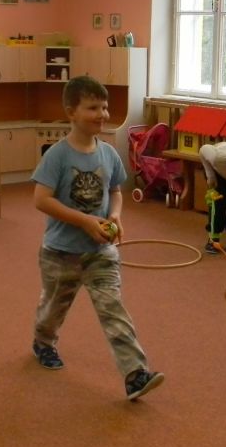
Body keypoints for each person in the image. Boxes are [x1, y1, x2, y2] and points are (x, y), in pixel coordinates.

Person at [30, 75, 164, 401]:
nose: (102, 114)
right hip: (60, 252)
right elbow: (41, 200)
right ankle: (43, 341)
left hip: (100, 251)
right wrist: (85, 220)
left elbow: (115, 191)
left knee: (112, 308)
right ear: (71, 112)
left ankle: (135, 374)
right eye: (92, 107)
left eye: (104, 107)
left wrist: (115, 215)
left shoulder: (108, 154)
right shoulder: (57, 155)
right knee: (53, 309)